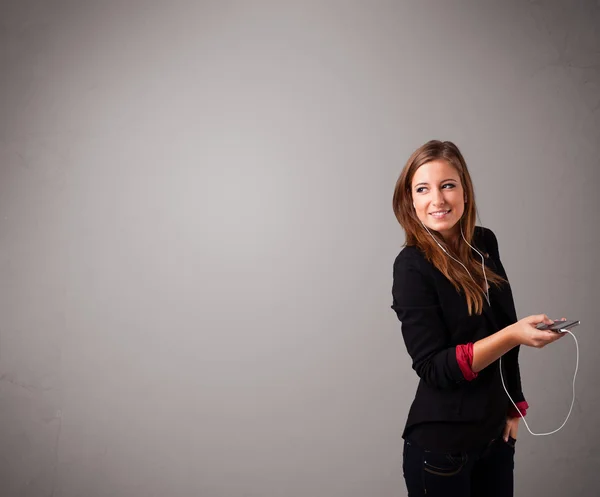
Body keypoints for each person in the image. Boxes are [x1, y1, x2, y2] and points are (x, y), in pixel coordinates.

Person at [391, 140, 565, 497]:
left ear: (465, 192)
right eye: (423, 189)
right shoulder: (411, 267)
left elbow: (504, 325)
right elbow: (434, 367)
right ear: (410, 201)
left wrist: (514, 403)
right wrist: (515, 335)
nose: (437, 200)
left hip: (494, 440)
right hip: (441, 450)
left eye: (448, 185)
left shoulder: (483, 242)